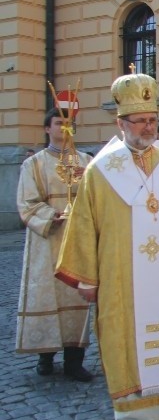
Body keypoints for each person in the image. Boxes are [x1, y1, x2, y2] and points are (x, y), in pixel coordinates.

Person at [56, 73, 159, 420]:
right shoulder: (102, 169)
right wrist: (86, 277)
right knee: (124, 339)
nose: (148, 127)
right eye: (139, 121)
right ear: (120, 124)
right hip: (121, 275)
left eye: (152, 120)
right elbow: (84, 223)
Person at [16, 108, 93, 381]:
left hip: (79, 239)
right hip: (47, 240)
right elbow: (27, 202)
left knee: (76, 296)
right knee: (47, 295)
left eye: (69, 123)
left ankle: (75, 361)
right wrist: (52, 217)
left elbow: (98, 199)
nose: (64, 127)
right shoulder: (34, 164)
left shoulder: (86, 161)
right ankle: (45, 358)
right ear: (47, 129)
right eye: (59, 123)